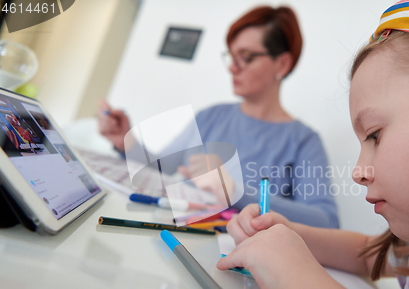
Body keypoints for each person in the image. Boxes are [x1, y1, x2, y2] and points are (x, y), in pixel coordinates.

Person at [217, 1, 409, 289]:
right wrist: (289, 234)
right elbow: (368, 253)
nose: (358, 171)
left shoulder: (301, 138)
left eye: (375, 136)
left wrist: (292, 275)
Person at [98, 6, 339, 228]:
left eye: (246, 57)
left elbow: (326, 222)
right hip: (176, 230)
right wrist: (123, 141)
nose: (232, 67)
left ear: (282, 64)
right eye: (231, 57)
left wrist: (235, 192)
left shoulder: (303, 141)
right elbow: (163, 167)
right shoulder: (210, 117)